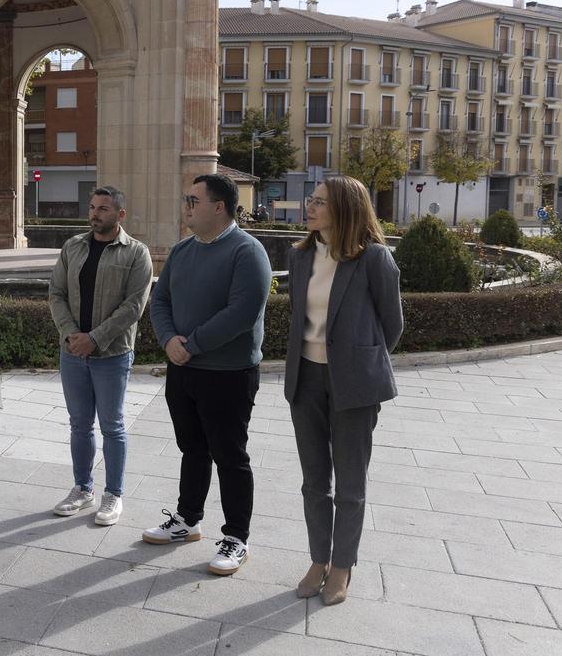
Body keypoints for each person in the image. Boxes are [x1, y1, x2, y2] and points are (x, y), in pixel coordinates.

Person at [145, 173, 272, 576]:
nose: (187, 207)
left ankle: (237, 538)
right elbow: (159, 299)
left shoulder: (247, 252)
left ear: (219, 207)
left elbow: (241, 313)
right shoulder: (182, 251)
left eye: (193, 200)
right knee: (192, 449)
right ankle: (187, 520)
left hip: (227, 373)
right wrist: (168, 341)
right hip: (182, 370)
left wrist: (191, 344)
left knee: (230, 456)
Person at [284, 175, 402, 605]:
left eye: (319, 202)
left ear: (346, 209)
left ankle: (342, 566)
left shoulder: (374, 259)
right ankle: (319, 559)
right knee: (314, 481)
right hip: (306, 379)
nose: (309, 208)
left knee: (350, 483)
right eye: (310, 200)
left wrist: (358, 364)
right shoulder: (299, 257)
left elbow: (393, 325)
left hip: (354, 384)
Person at [48, 186, 153, 525]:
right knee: (79, 425)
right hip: (73, 353)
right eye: (92, 207)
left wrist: (94, 339)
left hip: (112, 354)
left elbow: (134, 307)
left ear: (120, 215)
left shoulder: (137, 253)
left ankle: (113, 495)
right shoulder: (73, 247)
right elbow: (56, 294)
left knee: (112, 426)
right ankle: (82, 488)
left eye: (103, 209)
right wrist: (71, 335)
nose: (95, 214)